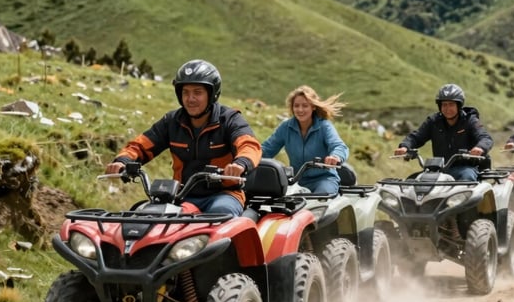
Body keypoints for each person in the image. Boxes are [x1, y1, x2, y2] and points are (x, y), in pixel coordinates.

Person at [104, 59, 261, 215]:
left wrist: (241, 164)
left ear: (212, 94)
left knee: (221, 214)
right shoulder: (172, 121)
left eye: (197, 92)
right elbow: (141, 145)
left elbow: (249, 145)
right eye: (185, 92)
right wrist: (123, 160)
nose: (190, 99)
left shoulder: (229, 119)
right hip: (183, 195)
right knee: (156, 218)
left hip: (225, 194)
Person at [394, 84, 493, 181]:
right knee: (411, 181)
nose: (447, 109)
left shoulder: (470, 120)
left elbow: (485, 138)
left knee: (466, 177)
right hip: (439, 170)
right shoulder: (434, 121)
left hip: (466, 168)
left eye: (451, 104)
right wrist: (405, 146)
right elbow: (416, 137)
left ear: (458, 105)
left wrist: (480, 147)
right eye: (444, 105)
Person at [261, 85, 349, 194]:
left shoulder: (324, 126)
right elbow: (267, 149)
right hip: (296, 181)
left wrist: (335, 157)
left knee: (320, 199)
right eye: (296, 106)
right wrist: (247, 157)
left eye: (305, 106)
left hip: (324, 179)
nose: (300, 110)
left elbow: (338, 145)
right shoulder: (286, 127)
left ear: (313, 107)